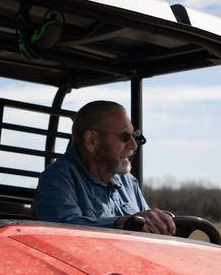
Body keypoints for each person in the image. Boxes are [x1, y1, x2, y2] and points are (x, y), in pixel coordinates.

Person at [32, 100, 176, 235]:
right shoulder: (56, 179)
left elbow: (148, 229)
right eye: (125, 137)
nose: (133, 145)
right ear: (92, 140)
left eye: (134, 136)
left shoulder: (129, 182)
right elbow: (62, 232)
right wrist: (122, 224)